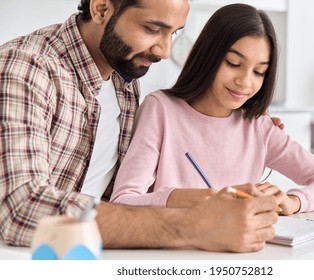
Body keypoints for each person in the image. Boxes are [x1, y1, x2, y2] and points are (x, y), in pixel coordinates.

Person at [0, 0, 282, 253]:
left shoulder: (124, 79)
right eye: (151, 29)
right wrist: (194, 225)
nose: (164, 50)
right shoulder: (24, 69)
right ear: (101, 9)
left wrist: (235, 122)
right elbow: (21, 208)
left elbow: (131, 190)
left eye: (173, 33)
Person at [111, 4, 314, 215]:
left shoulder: (259, 127)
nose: (245, 82)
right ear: (209, 56)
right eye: (234, 64)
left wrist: (294, 201)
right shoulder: (161, 110)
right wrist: (187, 199)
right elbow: (123, 201)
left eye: (259, 72)